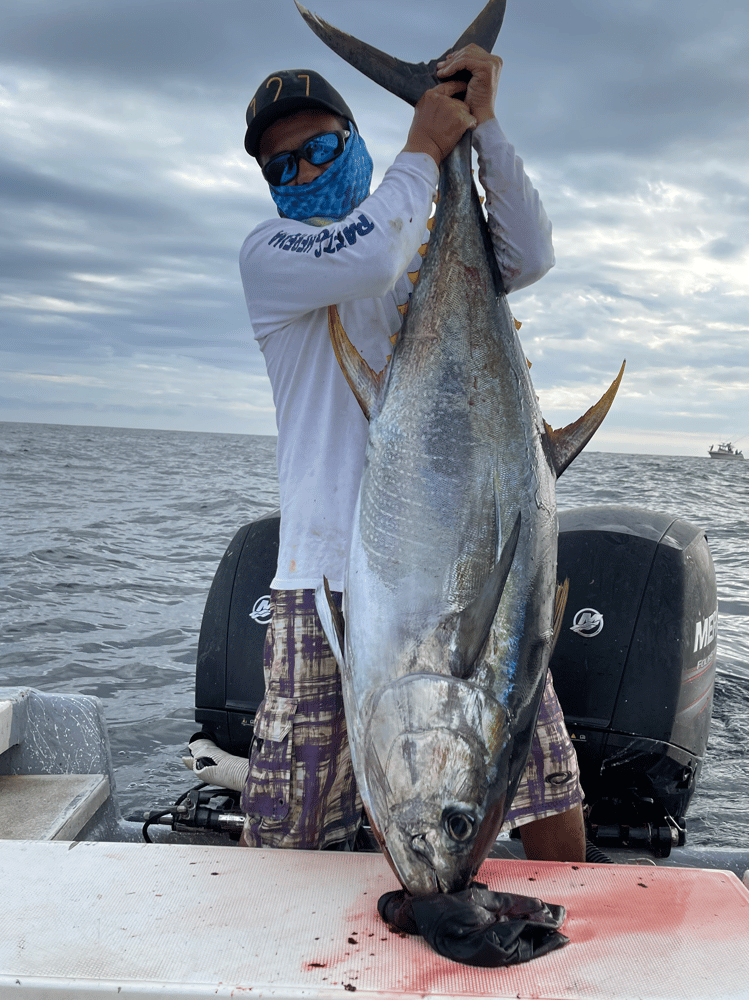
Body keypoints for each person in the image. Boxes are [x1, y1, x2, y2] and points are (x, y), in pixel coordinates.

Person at [237, 46, 585, 863]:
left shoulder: (420, 266)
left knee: (544, 797)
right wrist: (428, 146)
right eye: (281, 166)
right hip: (321, 586)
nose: (303, 171)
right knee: (288, 840)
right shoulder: (272, 260)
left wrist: (482, 129)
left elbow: (529, 254)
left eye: (320, 147)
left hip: (463, 575)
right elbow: (370, 251)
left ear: (357, 142)